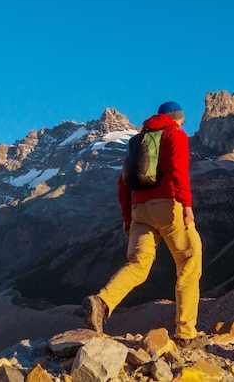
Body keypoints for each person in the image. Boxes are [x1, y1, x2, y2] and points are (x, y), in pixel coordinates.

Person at [83, 101, 204, 348]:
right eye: (183, 120)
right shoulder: (174, 134)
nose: (184, 124)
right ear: (177, 118)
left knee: (138, 264)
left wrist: (128, 218)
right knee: (189, 261)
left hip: (140, 211)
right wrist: (187, 204)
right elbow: (178, 169)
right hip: (168, 207)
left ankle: (102, 302)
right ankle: (186, 334)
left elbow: (123, 183)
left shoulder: (139, 139)